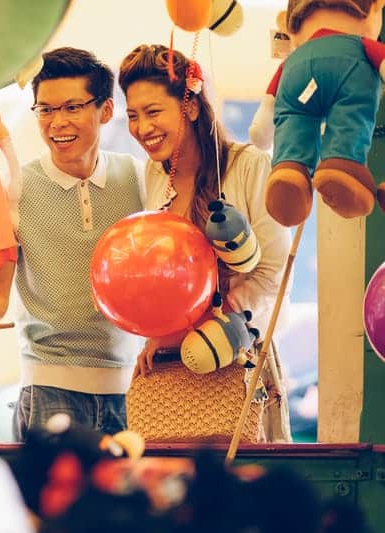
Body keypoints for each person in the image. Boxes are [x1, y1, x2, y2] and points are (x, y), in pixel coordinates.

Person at [0, 47, 145, 441]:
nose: (58, 123)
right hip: (49, 390)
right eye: (46, 110)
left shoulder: (139, 179)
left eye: (72, 108)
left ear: (106, 110)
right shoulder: (16, 190)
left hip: (134, 390)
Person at [118, 44, 293, 441]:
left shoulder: (248, 165)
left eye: (153, 111)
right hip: (171, 367)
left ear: (191, 107)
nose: (142, 128)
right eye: (132, 115)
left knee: (240, 476)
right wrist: (157, 334)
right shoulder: (153, 175)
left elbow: (273, 273)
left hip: (237, 354)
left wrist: (203, 326)